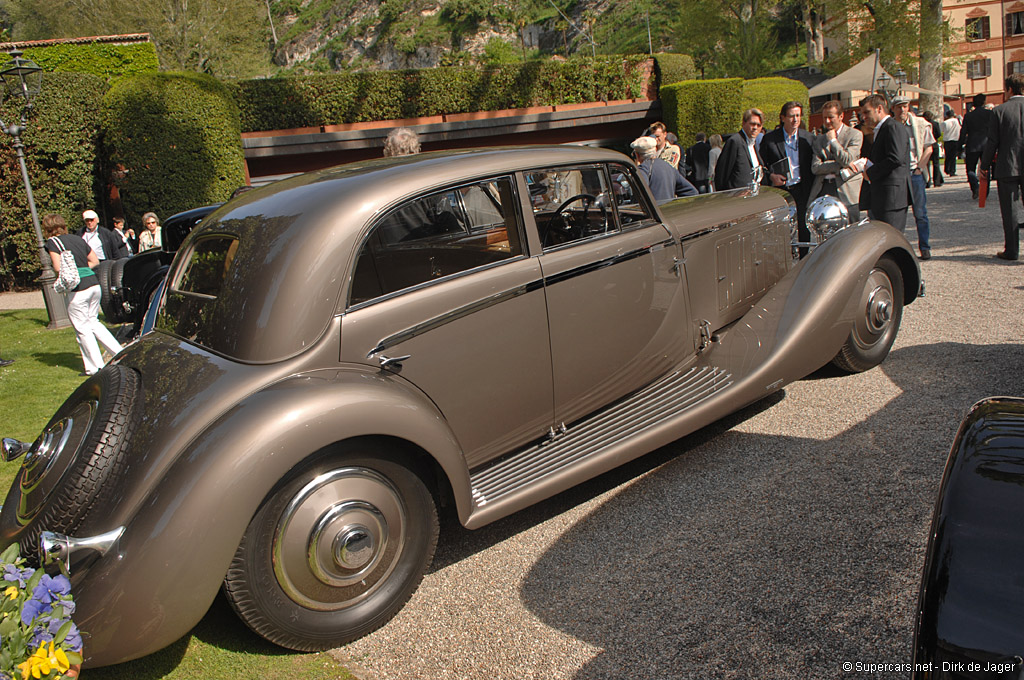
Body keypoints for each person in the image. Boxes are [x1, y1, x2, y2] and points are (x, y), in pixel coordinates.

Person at [43, 213, 122, 376]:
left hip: (78, 288)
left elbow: (58, 267)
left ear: (47, 228)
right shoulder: (78, 239)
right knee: (94, 322)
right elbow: (94, 261)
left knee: (82, 328)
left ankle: (97, 367)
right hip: (93, 284)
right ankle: (119, 353)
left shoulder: (53, 242)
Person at [980, 73, 1024, 261]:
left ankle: (1012, 250)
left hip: (1008, 165)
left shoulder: (1000, 111)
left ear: (1009, 89)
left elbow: (992, 142)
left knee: (1010, 210)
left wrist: (985, 164)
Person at [760, 101, 815, 246]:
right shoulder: (770, 139)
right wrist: (771, 176)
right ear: (783, 117)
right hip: (781, 190)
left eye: (797, 115)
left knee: (804, 226)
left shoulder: (808, 138)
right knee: (782, 226)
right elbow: (762, 165)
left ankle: (803, 258)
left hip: (802, 188)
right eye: (791, 116)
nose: (795, 119)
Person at [854, 94, 912, 234]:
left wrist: (871, 172)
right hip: (882, 196)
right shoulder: (881, 129)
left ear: (879, 108)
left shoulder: (893, 127)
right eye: (862, 114)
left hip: (891, 197)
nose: (864, 117)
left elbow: (896, 158)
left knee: (891, 239)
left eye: (867, 112)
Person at [891, 95, 934, 259]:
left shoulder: (920, 124)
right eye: (899, 107)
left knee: (920, 213)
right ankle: (898, 250)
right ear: (893, 109)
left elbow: (929, 148)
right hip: (899, 174)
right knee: (898, 214)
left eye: (905, 106)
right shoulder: (892, 126)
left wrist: (919, 169)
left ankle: (925, 247)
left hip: (915, 173)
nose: (902, 110)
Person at [809, 100, 863, 220]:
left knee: (851, 232)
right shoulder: (819, 140)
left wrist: (833, 141)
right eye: (824, 118)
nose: (827, 121)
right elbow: (816, 168)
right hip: (824, 189)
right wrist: (839, 166)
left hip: (847, 191)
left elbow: (846, 159)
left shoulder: (855, 135)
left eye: (831, 117)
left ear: (841, 116)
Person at [631, 136, 698, 200]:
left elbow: (640, 194)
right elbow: (692, 191)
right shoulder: (668, 167)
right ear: (655, 149)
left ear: (637, 155)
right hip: (669, 210)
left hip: (653, 211)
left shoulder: (643, 169)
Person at [715, 109, 765, 191]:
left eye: (758, 125)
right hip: (736, 198)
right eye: (752, 124)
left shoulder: (753, 144)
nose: (755, 128)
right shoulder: (735, 141)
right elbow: (722, 174)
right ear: (743, 123)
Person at [962, 93, 994, 200]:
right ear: (984, 102)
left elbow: (963, 132)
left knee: (970, 168)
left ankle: (975, 187)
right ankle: (985, 191)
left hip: (972, 144)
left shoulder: (968, 116)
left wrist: (960, 145)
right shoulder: (989, 114)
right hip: (986, 144)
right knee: (985, 169)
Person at [922, 110, 943, 187]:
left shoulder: (924, 124)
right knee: (936, 163)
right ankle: (937, 181)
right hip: (934, 144)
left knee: (926, 164)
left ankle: (928, 181)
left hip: (926, 145)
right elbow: (939, 134)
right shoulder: (935, 124)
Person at [941, 109, 962, 177]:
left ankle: (947, 168)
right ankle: (952, 170)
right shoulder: (957, 121)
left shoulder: (945, 122)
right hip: (955, 139)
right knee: (953, 156)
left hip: (947, 140)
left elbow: (942, 130)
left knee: (948, 156)